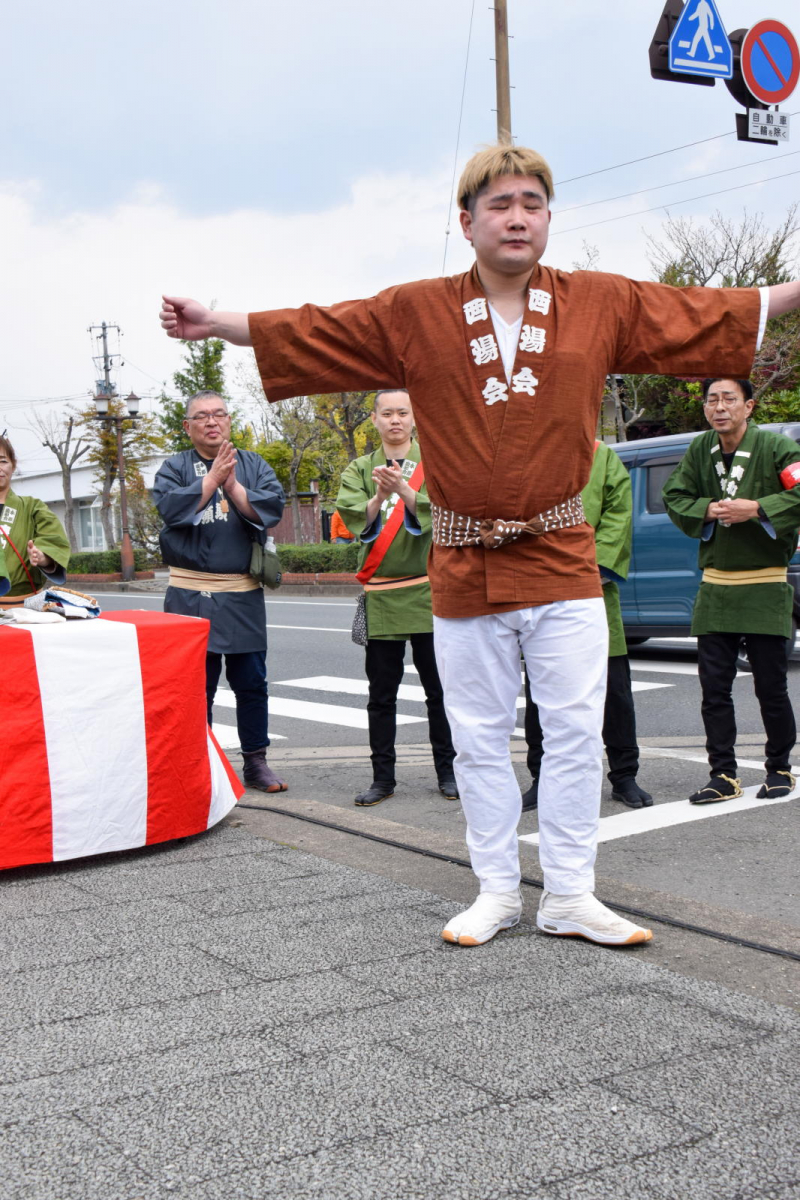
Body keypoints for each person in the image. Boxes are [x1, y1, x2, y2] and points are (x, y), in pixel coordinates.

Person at [160, 143, 800, 948]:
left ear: (549, 218)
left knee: (573, 732)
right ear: (466, 222)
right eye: (499, 203)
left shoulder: (600, 301)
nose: (518, 216)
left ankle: (571, 893)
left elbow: (709, 310)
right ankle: (496, 888)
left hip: (563, 553)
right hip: (462, 560)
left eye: (533, 202)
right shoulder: (419, 309)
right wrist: (215, 321)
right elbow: (321, 328)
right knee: (478, 733)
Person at [663, 378, 800, 804]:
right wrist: (706, 508)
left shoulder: (778, 448)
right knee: (714, 689)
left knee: (771, 687)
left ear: (749, 406)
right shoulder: (700, 449)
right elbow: (674, 494)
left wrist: (757, 508)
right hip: (716, 587)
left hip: (765, 584)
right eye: (712, 400)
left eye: (729, 399)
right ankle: (723, 774)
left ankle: (779, 767)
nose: (719, 407)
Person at [152, 392, 287, 792]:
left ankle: (255, 762)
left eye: (219, 414)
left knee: (252, 682)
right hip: (189, 594)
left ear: (229, 420)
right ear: (187, 426)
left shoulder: (253, 463)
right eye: (202, 416)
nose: (212, 422)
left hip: (241, 592)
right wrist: (210, 481)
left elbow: (272, 507)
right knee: (196, 685)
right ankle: (200, 762)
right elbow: (169, 510)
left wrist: (235, 487)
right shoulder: (174, 467)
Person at [335, 388, 457, 807]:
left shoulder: (438, 459)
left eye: (402, 412)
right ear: (374, 419)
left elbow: (452, 514)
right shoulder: (360, 467)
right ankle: (382, 779)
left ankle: (449, 772)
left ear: (414, 416)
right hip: (383, 595)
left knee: (439, 692)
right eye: (386, 413)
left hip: (429, 591)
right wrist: (380, 496)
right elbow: (354, 520)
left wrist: (406, 492)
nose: (395, 420)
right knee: (381, 695)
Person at [521, 440, 653, 812]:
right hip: (541, 588)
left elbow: (617, 514)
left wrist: (591, 571)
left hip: (591, 587)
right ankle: (541, 776)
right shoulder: (528, 451)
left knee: (614, 691)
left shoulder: (600, 454)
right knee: (540, 694)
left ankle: (624, 776)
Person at [0, 435, 70, 606]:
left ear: (13, 465)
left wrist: (42, 556)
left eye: (3, 461)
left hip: (25, 608)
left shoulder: (33, 507)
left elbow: (52, 540)